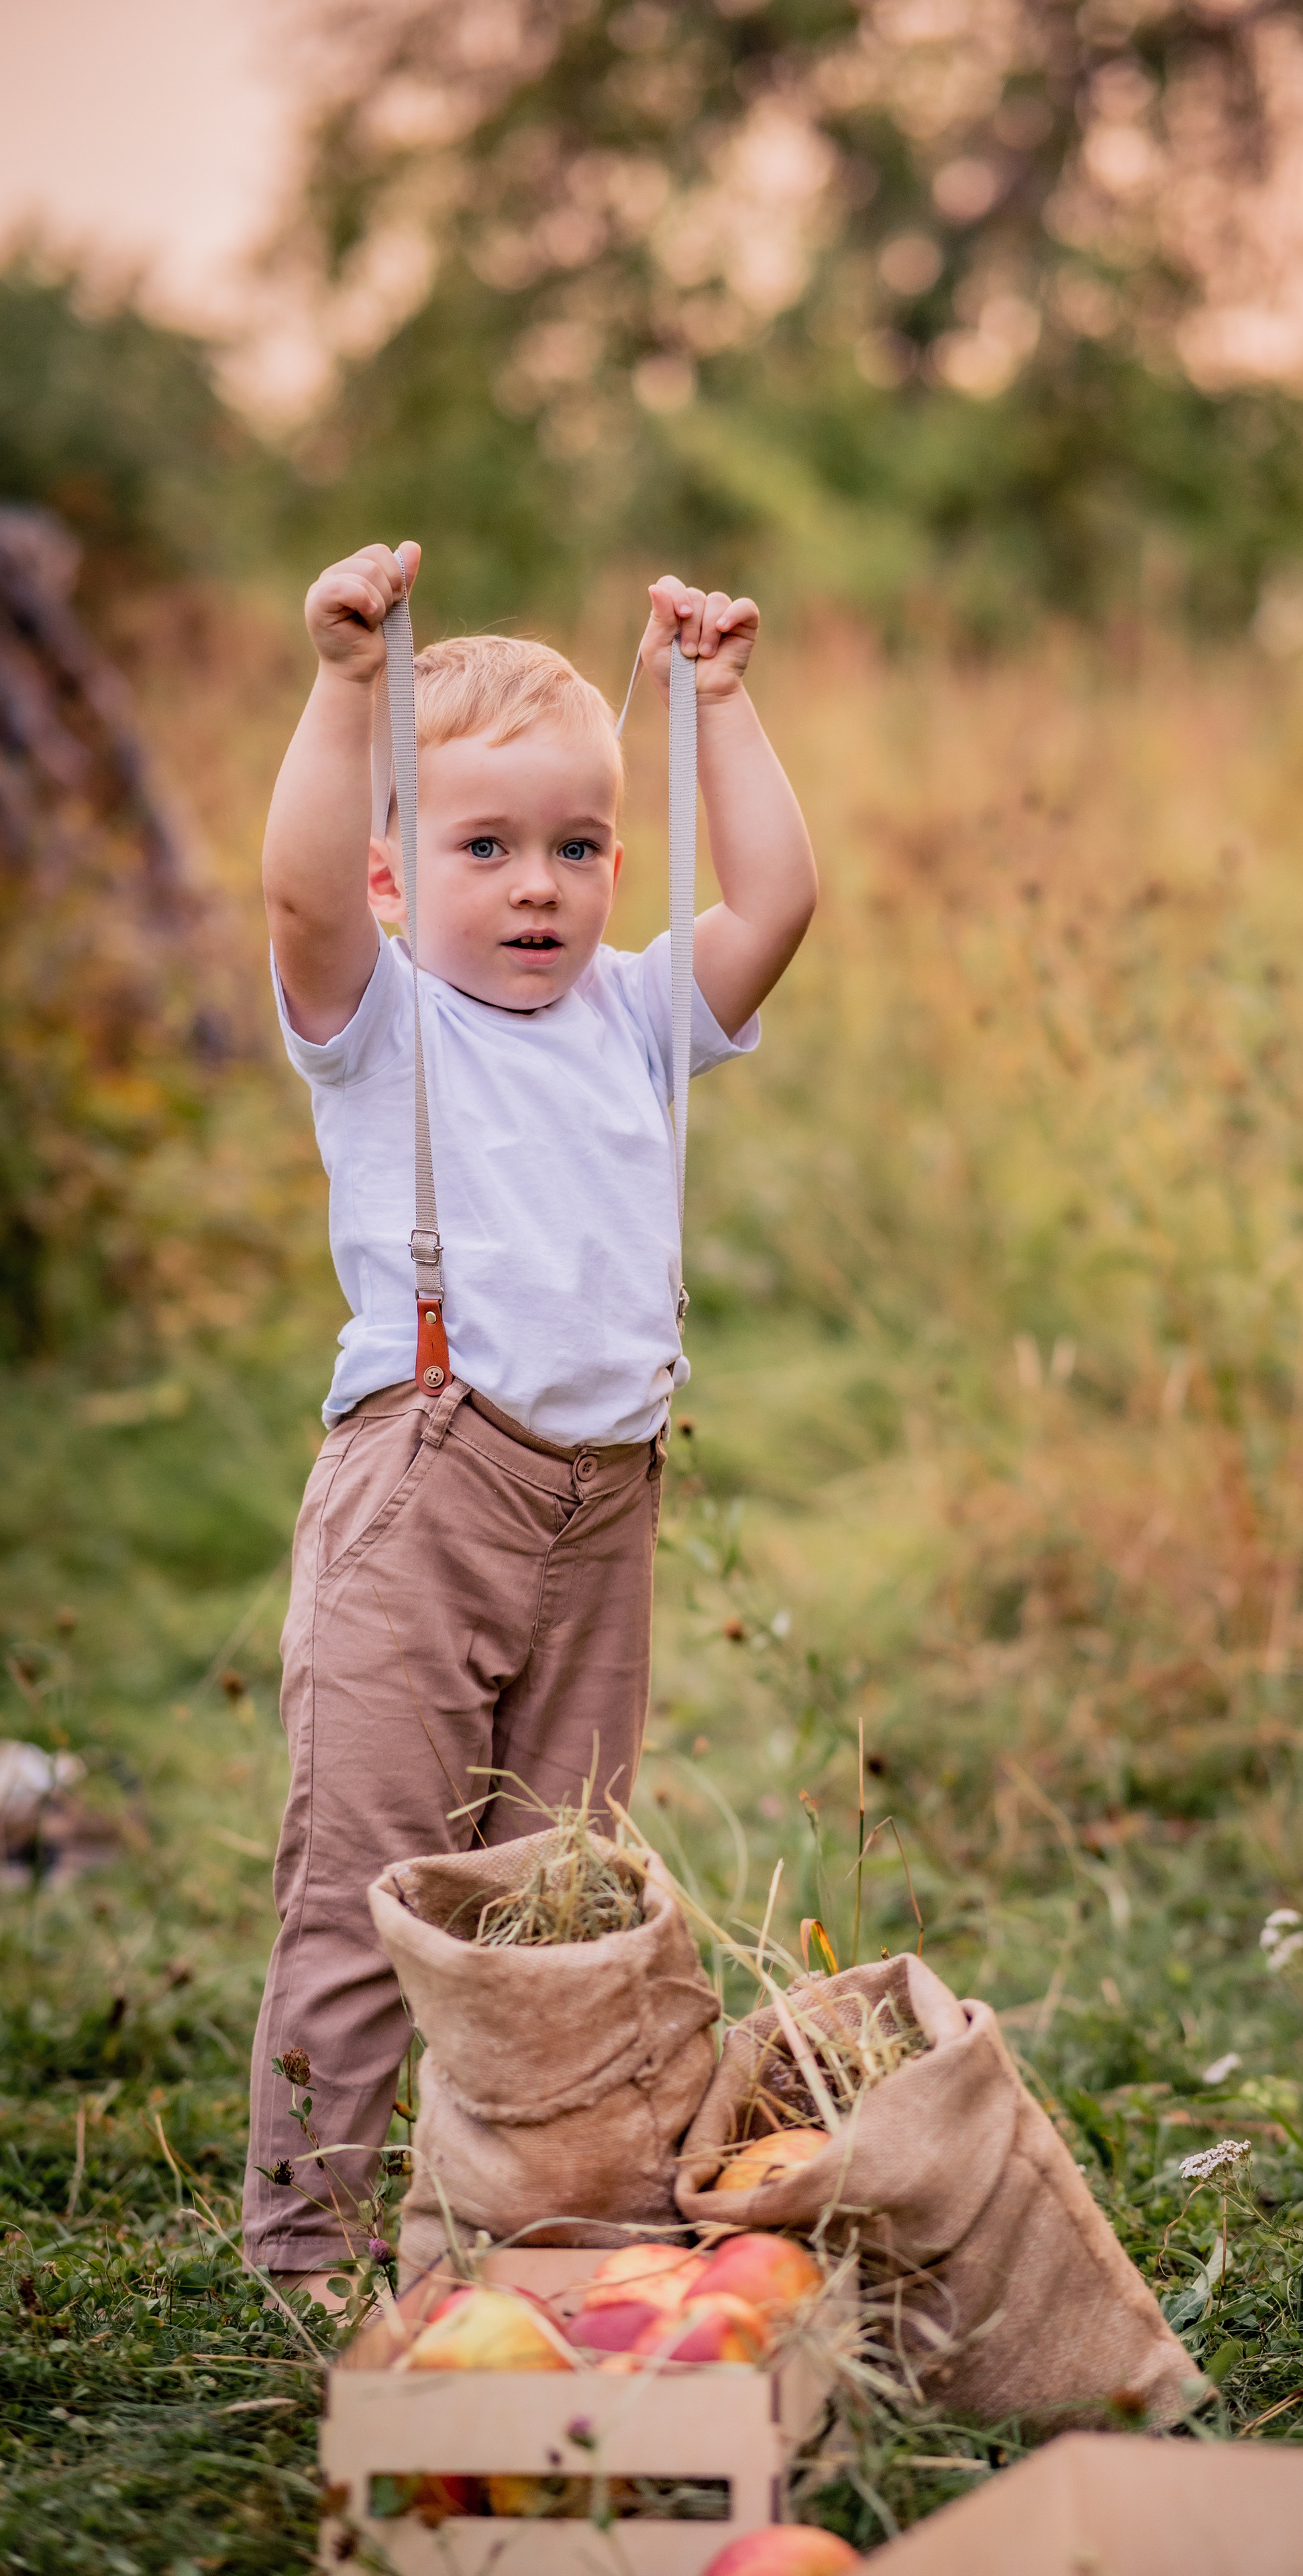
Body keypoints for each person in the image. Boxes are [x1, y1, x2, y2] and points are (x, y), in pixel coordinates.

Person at [243, 542, 816, 2299]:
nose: (538, 888)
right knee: (371, 1881)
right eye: (484, 848)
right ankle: (310, 2244)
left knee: (556, 1899)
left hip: (602, 1514)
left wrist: (717, 705)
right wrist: (347, 688)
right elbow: (295, 900)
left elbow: (778, 904)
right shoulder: (382, 1023)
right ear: (396, 874)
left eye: (577, 847)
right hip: (426, 1497)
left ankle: (529, 2224)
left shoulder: (633, 1015)